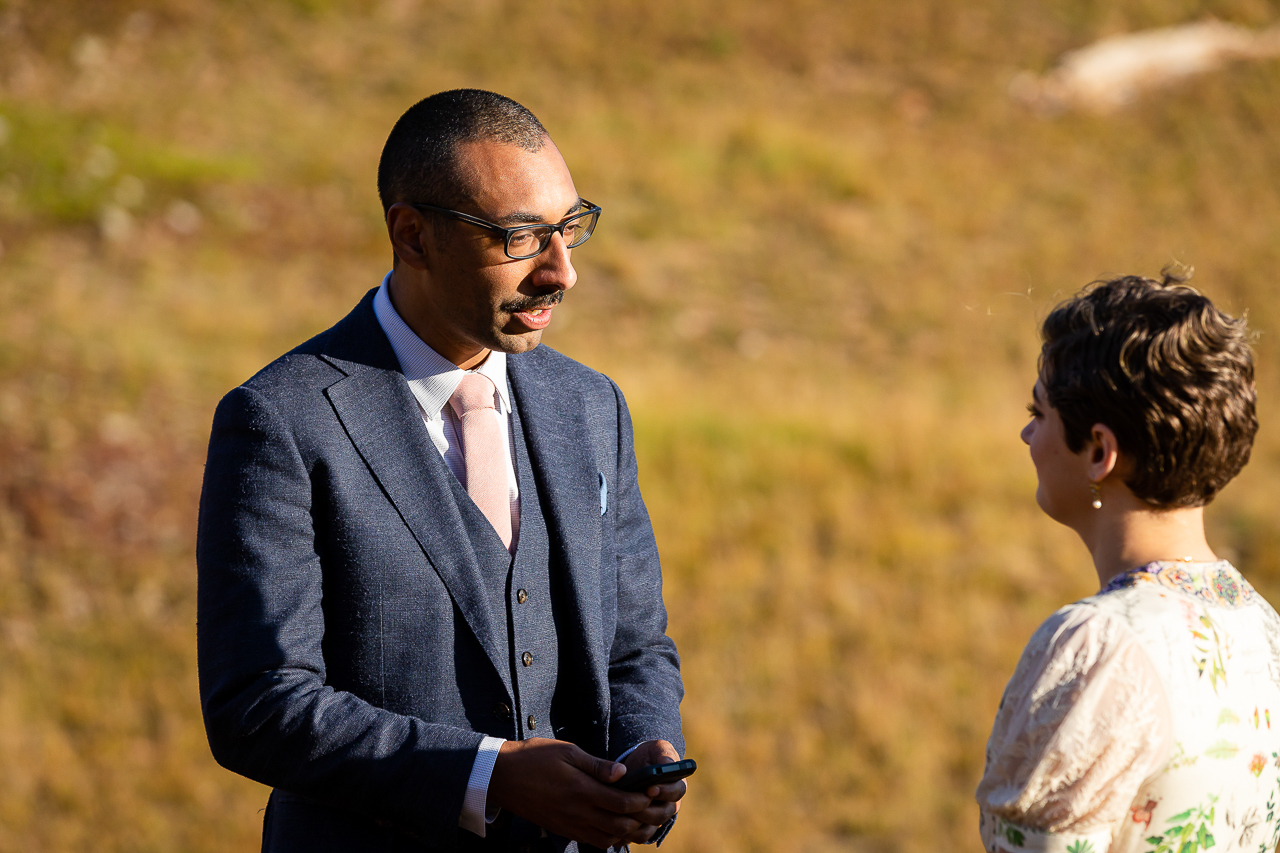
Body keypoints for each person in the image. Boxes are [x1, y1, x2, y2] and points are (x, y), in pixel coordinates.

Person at [196, 89, 686, 853]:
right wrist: (491, 775)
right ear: (413, 234)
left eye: (569, 229)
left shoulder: (590, 404)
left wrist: (643, 753)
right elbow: (257, 702)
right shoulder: (280, 418)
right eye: (522, 239)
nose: (562, 272)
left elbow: (635, 645)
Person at [976, 272, 1280, 853]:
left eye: (1038, 414)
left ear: (1098, 451)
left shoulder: (1100, 645)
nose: (1025, 434)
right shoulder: (1262, 630)